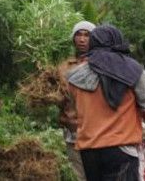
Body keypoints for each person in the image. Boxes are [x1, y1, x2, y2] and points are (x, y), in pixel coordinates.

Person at [66, 25, 145, 181]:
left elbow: (74, 110)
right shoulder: (133, 70)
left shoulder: (74, 76)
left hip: (88, 151)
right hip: (121, 149)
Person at [57, 21, 95, 181]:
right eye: (78, 34)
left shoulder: (99, 65)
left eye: (87, 35)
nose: (82, 39)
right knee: (78, 175)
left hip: (96, 131)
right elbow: (59, 98)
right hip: (72, 130)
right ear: (73, 38)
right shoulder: (64, 67)